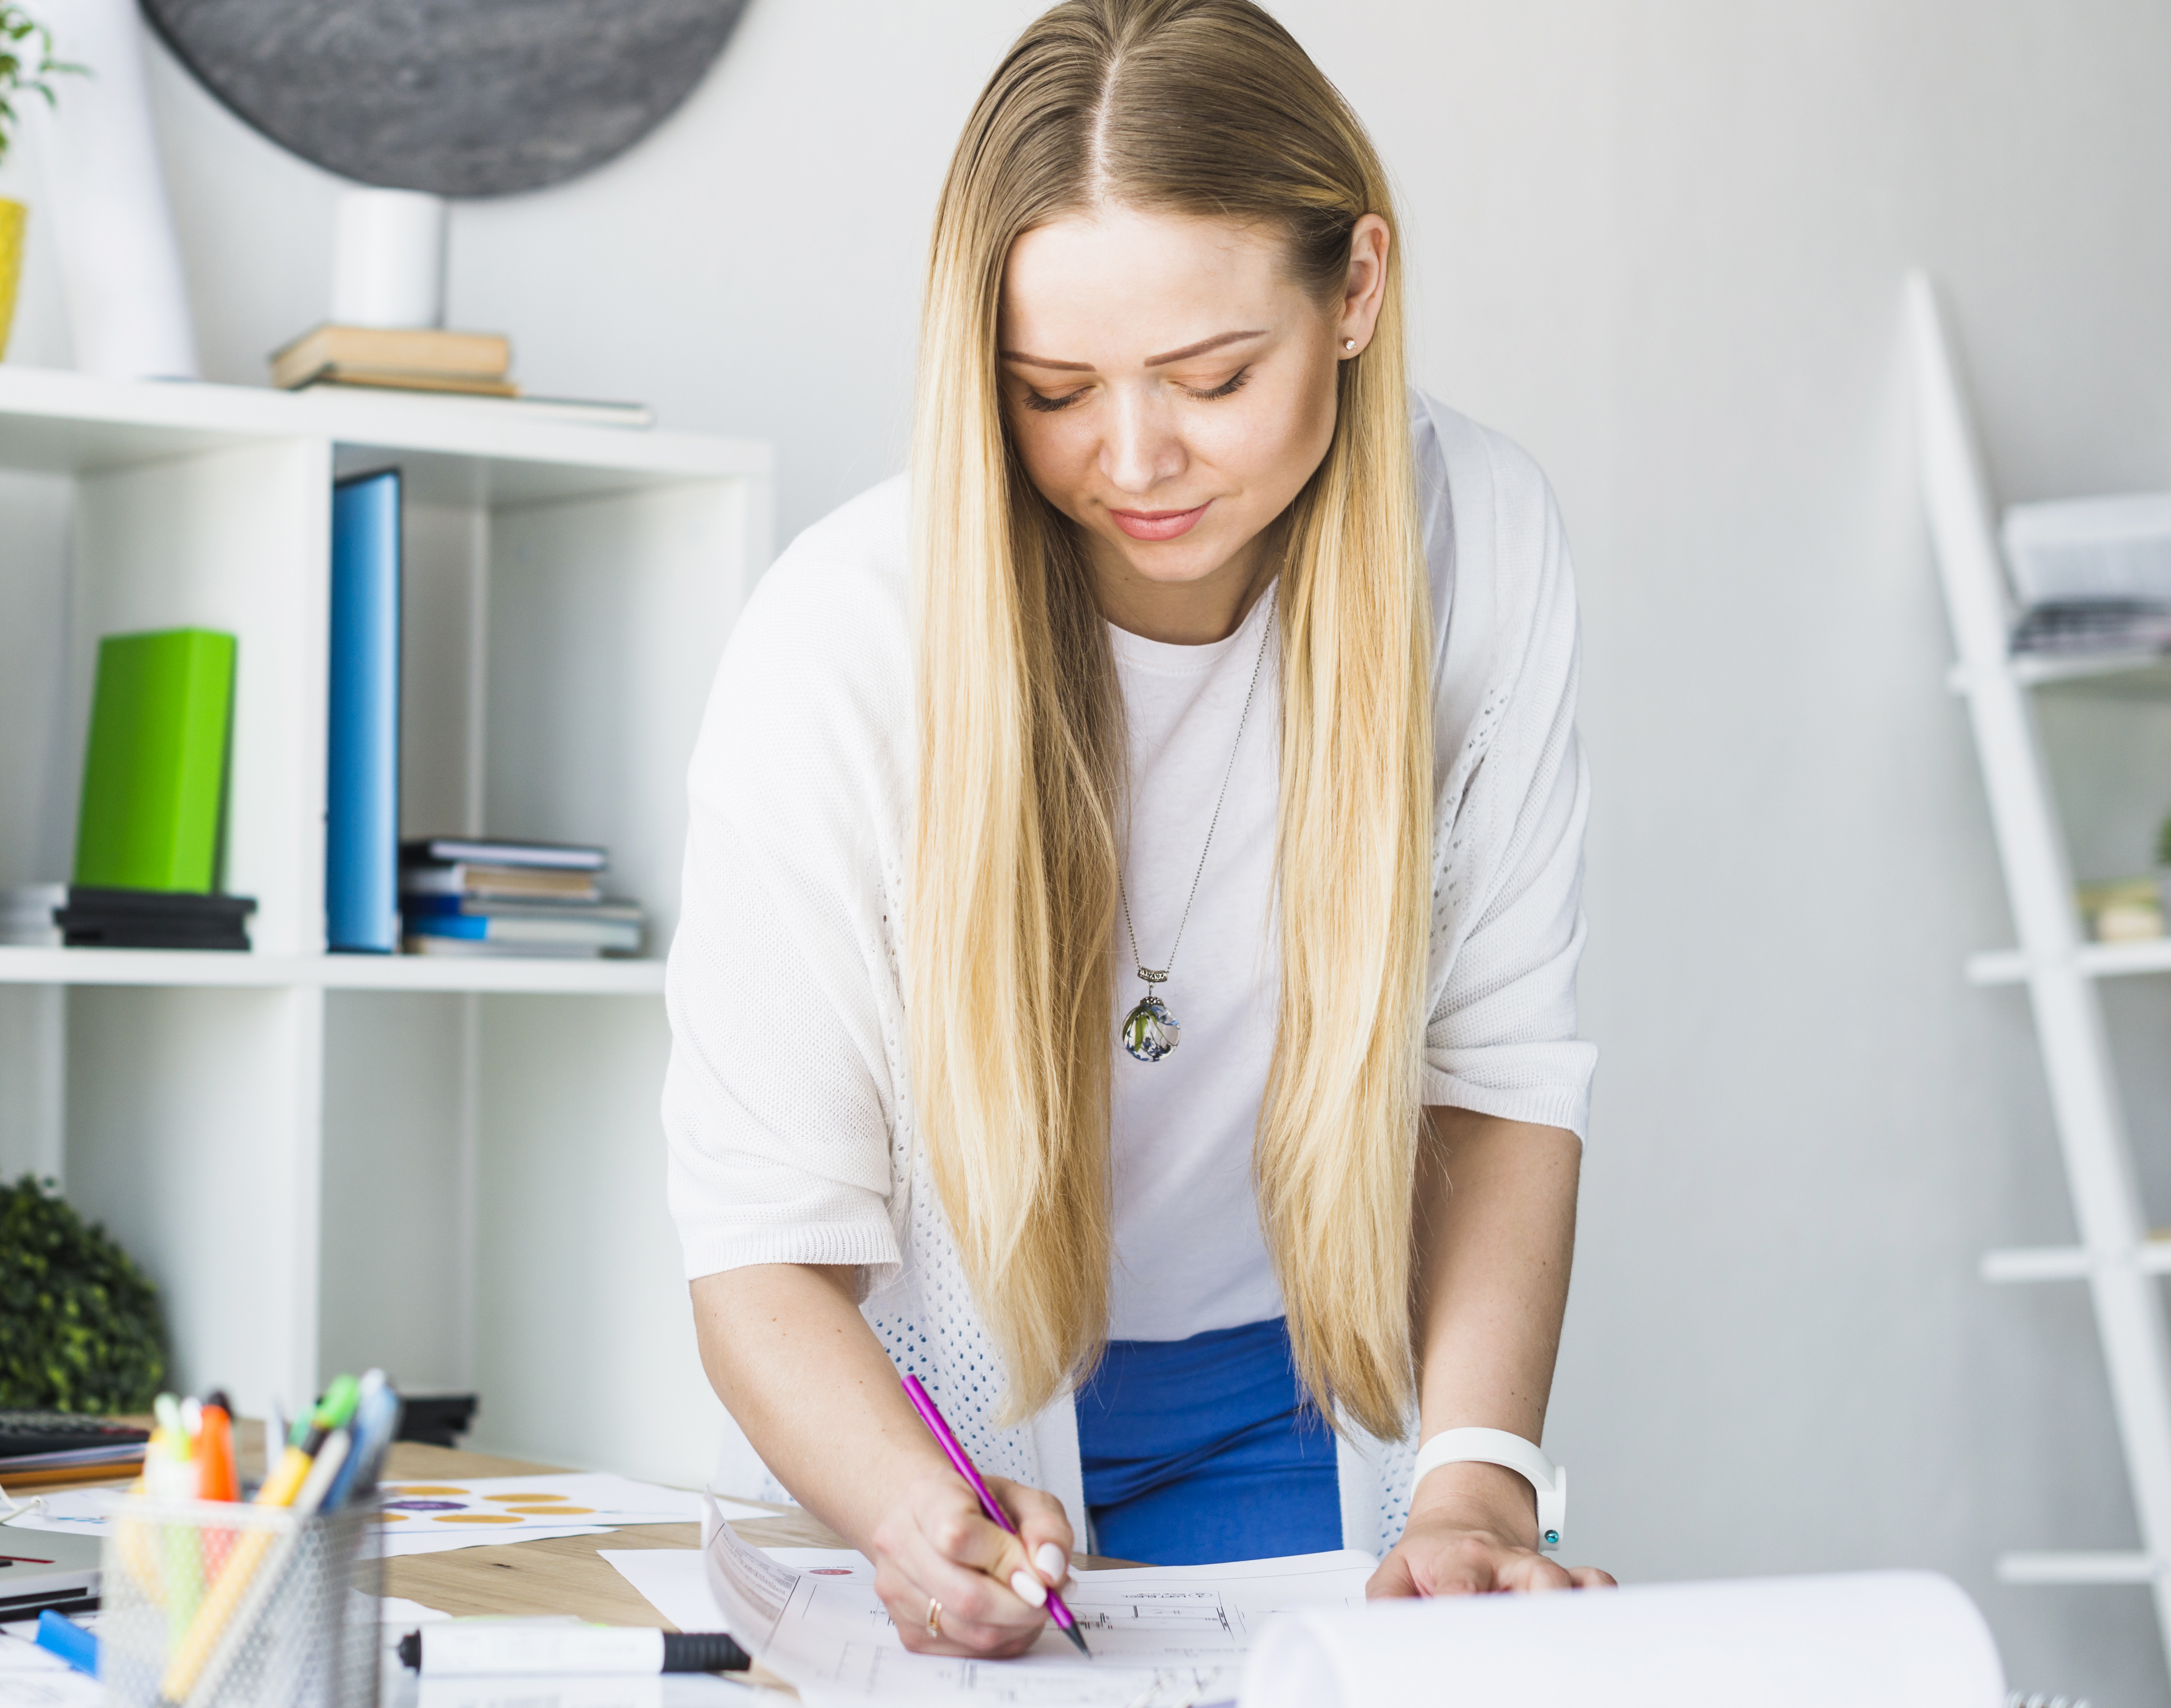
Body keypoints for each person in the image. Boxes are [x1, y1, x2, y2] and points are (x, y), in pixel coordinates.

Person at [662, 0, 1614, 1661]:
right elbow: (760, 1246)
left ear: (1356, 293)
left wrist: (1474, 1485)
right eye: (1053, 391)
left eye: (1211, 377)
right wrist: (912, 1509)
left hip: (1297, 1405)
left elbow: (1497, 1077)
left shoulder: (1486, 550)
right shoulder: (841, 640)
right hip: (938, 1419)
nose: (1134, 460)